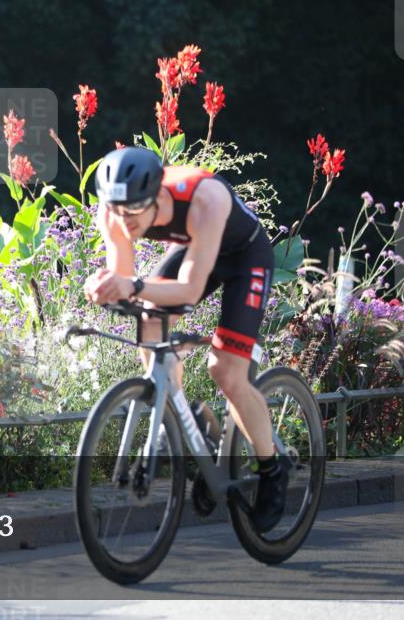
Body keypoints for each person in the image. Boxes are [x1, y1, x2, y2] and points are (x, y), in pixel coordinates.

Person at [83, 146, 287, 533]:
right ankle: (187, 416)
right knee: (148, 318)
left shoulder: (204, 198)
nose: (123, 224)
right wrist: (108, 287)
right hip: (195, 249)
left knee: (226, 371)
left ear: (158, 196)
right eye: (116, 213)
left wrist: (131, 284)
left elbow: (190, 291)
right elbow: (127, 282)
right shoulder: (113, 211)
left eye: (132, 214)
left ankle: (271, 469)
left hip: (246, 258)